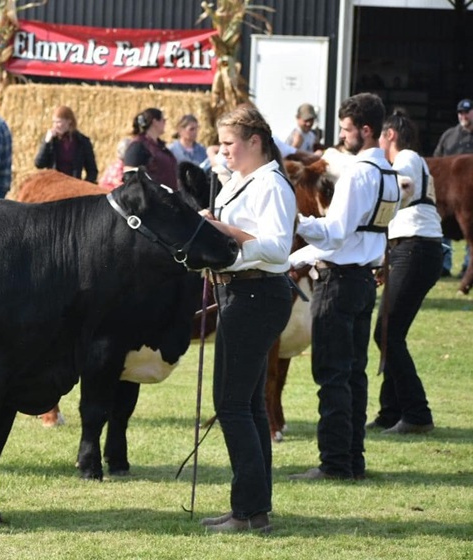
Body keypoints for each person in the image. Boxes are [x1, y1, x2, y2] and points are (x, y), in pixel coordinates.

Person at [288, 92, 400, 481]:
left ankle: (334, 463)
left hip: (337, 282)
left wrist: (297, 222)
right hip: (362, 280)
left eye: (346, 129)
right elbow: (358, 234)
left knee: (332, 374)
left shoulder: (357, 173)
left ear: (365, 130)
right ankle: (352, 459)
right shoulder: (389, 174)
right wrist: (299, 258)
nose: (341, 136)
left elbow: (335, 232)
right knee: (354, 373)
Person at [197, 106, 295, 533]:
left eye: (229, 143)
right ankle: (253, 509)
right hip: (243, 292)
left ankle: (248, 510)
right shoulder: (245, 180)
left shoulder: (271, 184)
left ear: (255, 142)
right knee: (248, 404)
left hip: (256, 292)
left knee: (232, 404)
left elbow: (277, 247)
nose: (222, 151)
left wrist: (222, 231)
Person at [368, 110, 442, 435]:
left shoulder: (406, 158)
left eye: (380, 138)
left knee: (387, 333)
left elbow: (403, 186)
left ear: (390, 136)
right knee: (390, 333)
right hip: (414, 249)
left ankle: (417, 413)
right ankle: (391, 412)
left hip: (414, 249)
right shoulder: (415, 159)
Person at [432, 98, 473, 277]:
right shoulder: (449, 136)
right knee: (442, 224)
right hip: (449, 191)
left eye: (467, 112)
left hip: (470, 192)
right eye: (460, 113)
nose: (463, 116)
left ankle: (468, 265)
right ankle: (444, 264)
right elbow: (437, 158)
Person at [33, 105, 98, 182]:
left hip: (73, 185)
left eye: (58, 122)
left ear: (69, 121)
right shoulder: (51, 141)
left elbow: (92, 171)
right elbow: (39, 164)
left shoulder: (82, 142)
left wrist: (82, 186)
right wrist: (46, 142)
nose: (55, 126)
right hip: (53, 184)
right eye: (54, 122)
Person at [124, 107, 178, 189]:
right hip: (150, 195)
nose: (165, 123)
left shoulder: (160, 147)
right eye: (163, 120)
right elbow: (130, 179)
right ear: (155, 122)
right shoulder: (137, 147)